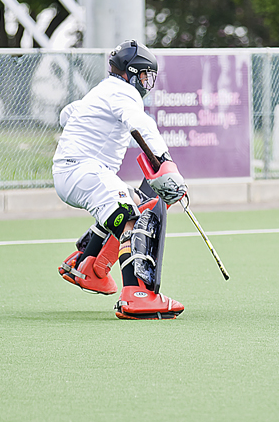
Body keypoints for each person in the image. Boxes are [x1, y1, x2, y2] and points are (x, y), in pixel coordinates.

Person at [53, 40, 189, 320]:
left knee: (139, 202)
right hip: (85, 171)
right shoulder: (123, 92)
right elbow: (142, 124)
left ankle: (87, 265)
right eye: (145, 76)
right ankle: (137, 296)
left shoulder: (103, 91)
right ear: (131, 73)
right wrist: (166, 165)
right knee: (131, 217)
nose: (147, 83)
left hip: (74, 172)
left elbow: (66, 114)